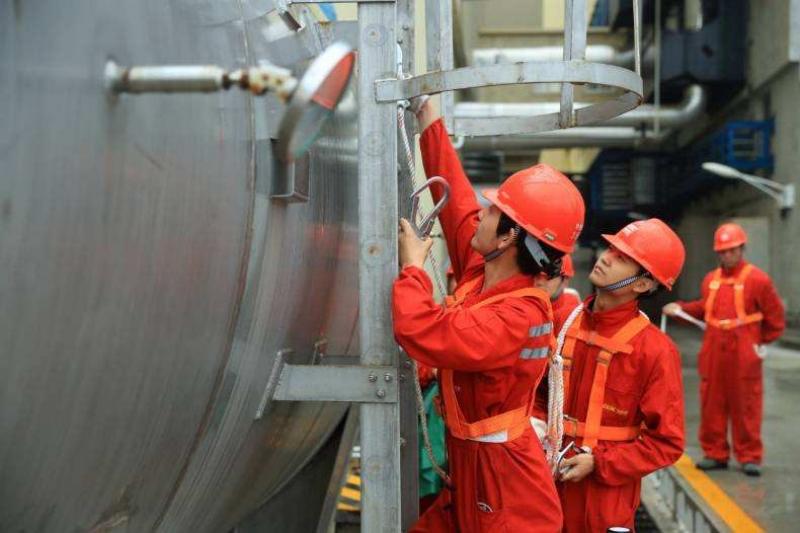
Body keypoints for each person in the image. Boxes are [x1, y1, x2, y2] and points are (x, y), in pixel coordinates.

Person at [393, 100, 585, 532]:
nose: (482, 213)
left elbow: (423, 330)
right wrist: (429, 119)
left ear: (509, 237)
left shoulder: (519, 314)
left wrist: (413, 269)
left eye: (494, 211)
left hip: (504, 486)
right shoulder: (484, 271)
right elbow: (458, 202)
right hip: (475, 467)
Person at [536, 218, 686, 532]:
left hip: (603, 499)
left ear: (642, 284)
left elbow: (667, 443)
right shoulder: (561, 322)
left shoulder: (655, 350)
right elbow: (534, 394)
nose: (605, 257)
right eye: (610, 249)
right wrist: (536, 432)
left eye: (622, 258)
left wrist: (599, 463)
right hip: (543, 480)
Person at [662, 222, 785, 476]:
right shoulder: (711, 280)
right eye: (723, 251)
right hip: (714, 350)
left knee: (746, 404)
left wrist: (756, 344)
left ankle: (749, 456)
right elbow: (703, 308)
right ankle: (715, 453)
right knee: (712, 402)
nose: (727, 255)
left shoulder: (758, 280)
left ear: (742, 249)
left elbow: (775, 319)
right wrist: (680, 309)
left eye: (732, 250)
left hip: (743, 352)